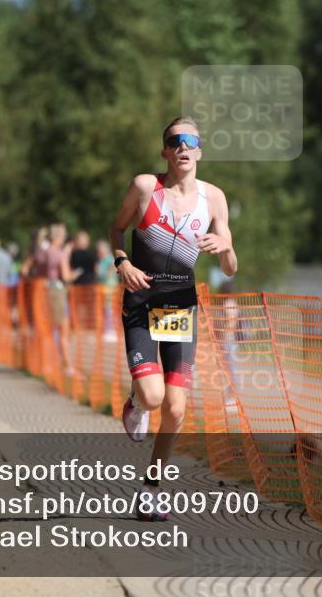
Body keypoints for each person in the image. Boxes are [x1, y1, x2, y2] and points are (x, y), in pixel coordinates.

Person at [110, 116, 238, 521]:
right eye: (174, 140)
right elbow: (116, 230)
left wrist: (225, 248)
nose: (183, 146)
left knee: (177, 408)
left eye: (190, 141)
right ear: (165, 150)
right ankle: (136, 400)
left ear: (199, 150)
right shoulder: (146, 187)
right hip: (142, 300)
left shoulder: (214, 198)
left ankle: (152, 489)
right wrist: (122, 261)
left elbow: (231, 267)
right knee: (152, 397)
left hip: (180, 306)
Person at [39, 223, 74, 375]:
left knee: (49, 329)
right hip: (58, 291)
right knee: (63, 331)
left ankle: (48, 363)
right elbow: (66, 276)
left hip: (44, 290)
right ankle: (67, 366)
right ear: (58, 237)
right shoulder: (60, 254)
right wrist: (74, 274)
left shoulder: (43, 252)